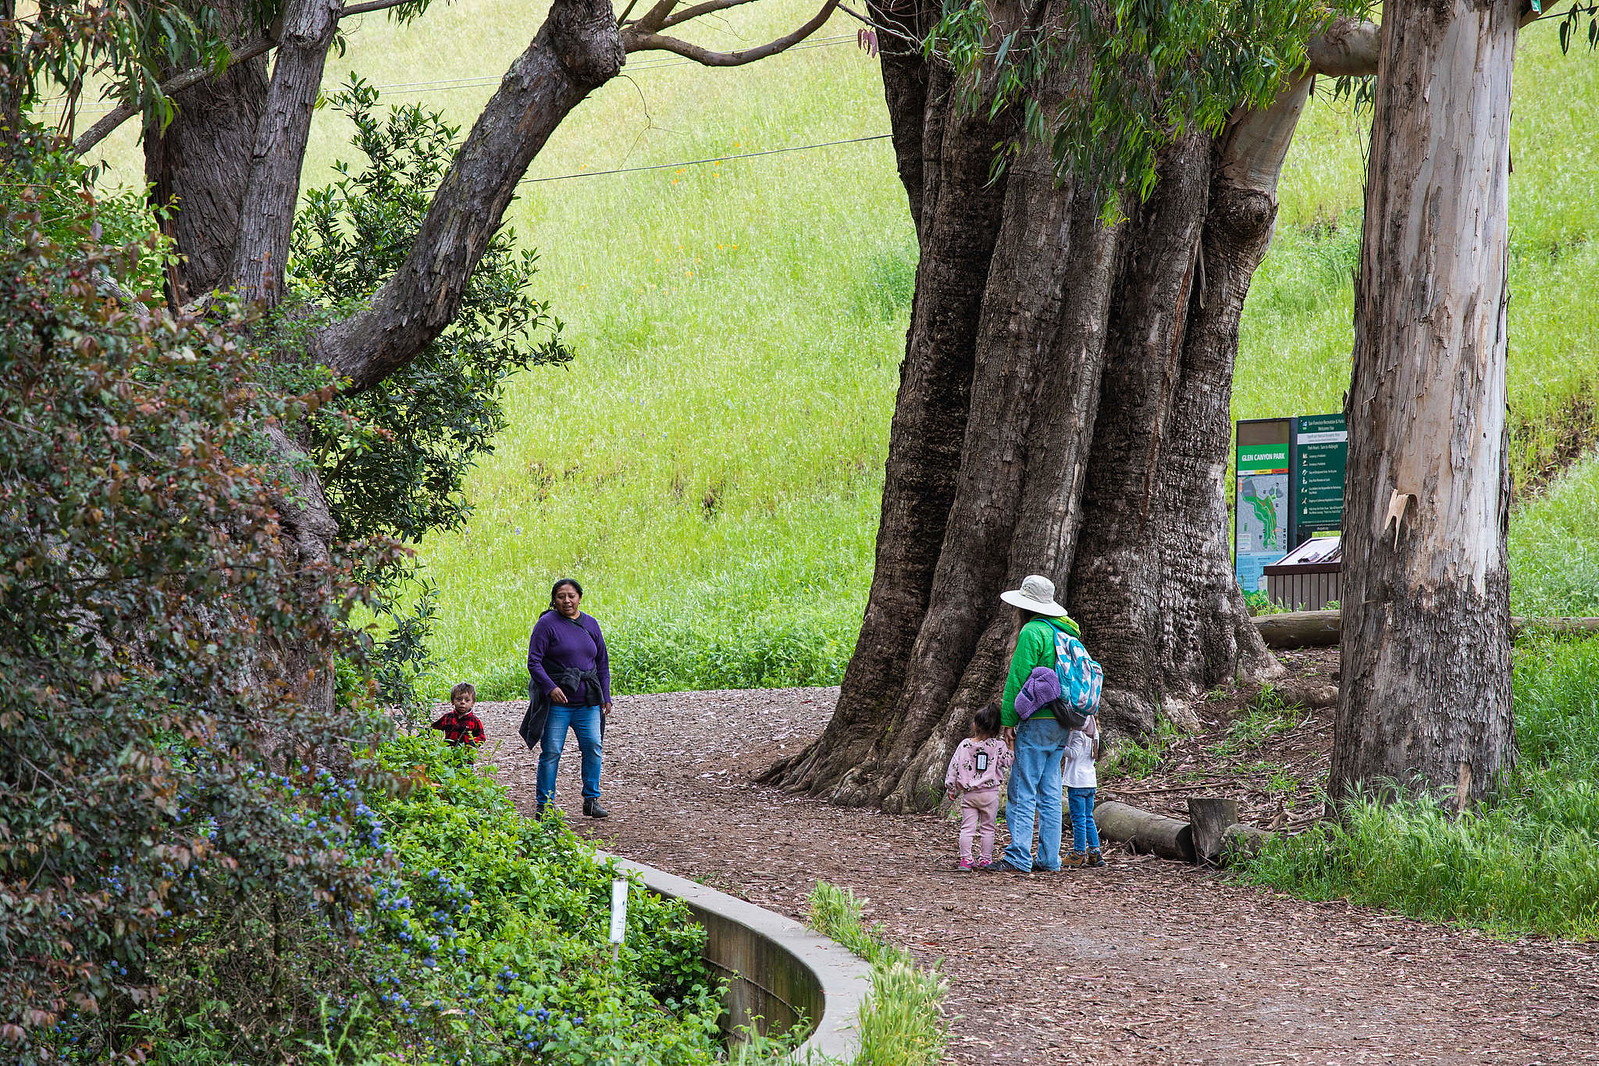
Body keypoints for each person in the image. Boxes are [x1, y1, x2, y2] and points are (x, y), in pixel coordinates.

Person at [988, 573, 1084, 874]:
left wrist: (1008, 720)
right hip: (1063, 721)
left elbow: (1018, 677)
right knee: (1051, 791)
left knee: (1022, 788)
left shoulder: (1033, 631)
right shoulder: (1066, 632)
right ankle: (1050, 858)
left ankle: (1018, 856)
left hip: (1038, 718)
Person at [527, 578, 612, 818]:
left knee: (593, 747)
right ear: (554, 600)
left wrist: (606, 695)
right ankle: (545, 805)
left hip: (588, 701)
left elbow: (602, 663)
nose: (567, 601)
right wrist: (550, 688)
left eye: (571, 596)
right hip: (558, 704)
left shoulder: (591, 624)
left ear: (579, 598)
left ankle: (591, 800)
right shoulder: (546, 625)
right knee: (552, 752)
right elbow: (534, 662)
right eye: (561, 596)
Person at [944, 702, 1013, 871]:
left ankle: (966, 860)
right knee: (988, 828)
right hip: (990, 794)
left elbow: (953, 767)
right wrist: (1011, 743)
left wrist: (951, 788)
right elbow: (1008, 761)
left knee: (967, 828)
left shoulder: (965, 745)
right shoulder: (998, 745)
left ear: (975, 725)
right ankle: (985, 859)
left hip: (970, 794)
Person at [1063, 715, 1104, 868]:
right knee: (1088, 817)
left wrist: (1058, 747)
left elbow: (1073, 753)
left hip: (1077, 782)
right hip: (1090, 781)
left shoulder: (1078, 733)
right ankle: (1094, 852)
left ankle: (1078, 853)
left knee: (1078, 819)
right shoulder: (1095, 734)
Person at [432, 682, 485, 747]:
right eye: (459, 699)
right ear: (452, 701)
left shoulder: (474, 721)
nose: (462, 702)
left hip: (466, 751)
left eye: (467, 700)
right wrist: (424, 735)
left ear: (473, 703)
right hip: (448, 751)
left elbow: (482, 737)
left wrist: (473, 743)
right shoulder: (447, 717)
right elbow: (434, 729)